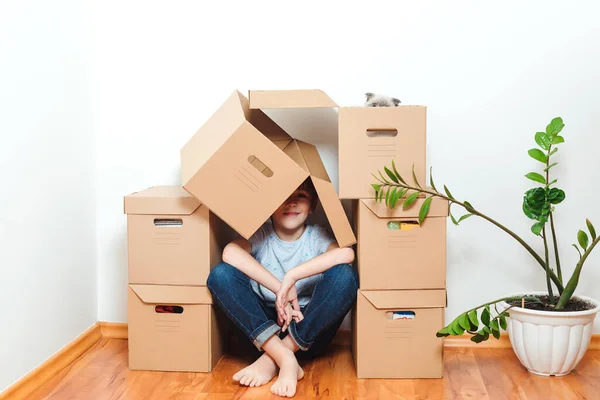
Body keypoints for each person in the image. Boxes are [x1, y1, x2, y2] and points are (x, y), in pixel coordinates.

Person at [207, 178, 358, 398]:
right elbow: (230, 252)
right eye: (284, 197)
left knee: (345, 276)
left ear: (313, 204)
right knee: (220, 275)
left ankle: (273, 360)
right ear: (270, 204)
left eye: (301, 196)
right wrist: (280, 289)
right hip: (262, 334)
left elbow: (347, 255)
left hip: (307, 333)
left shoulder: (316, 236)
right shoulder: (263, 234)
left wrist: (292, 276)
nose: (292, 203)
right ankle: (283, 357)